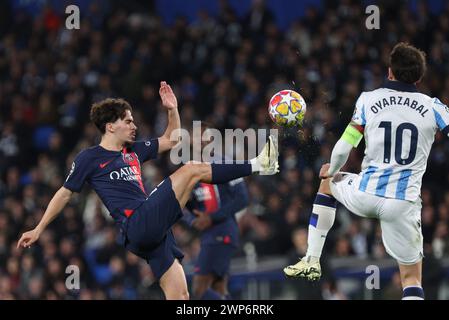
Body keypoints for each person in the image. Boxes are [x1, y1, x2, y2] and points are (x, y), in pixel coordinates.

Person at [17, 81, 279, 300]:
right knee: (191, 169)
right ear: (110, 126)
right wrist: (39, 228)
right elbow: (64, 193)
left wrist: (173, 109)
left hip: (154, 235)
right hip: (137, 223)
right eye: (128, 121)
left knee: (182, 297)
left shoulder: (133, 151)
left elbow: (172, 139)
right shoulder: (90, 158)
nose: (134, 126)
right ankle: (258, 163)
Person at [284, 42, 449, 300]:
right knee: (411, 278)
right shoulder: (435, 108)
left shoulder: (368, 100)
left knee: (328, 183)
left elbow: (343, 147)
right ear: (419, 77)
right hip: (401, 203)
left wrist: (332, 169)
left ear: (390, 72)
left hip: (365, 193)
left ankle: (312, 259)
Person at [184, 124, 250, 300]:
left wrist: (211, 218)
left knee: (198, 290)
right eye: (196, 137)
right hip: (208, 235)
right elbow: (182, 204)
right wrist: (192, 220)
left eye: (203, 136)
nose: (200, 141)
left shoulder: (226, 163)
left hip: (223, 232)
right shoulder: (189, 169)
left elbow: (242, 198)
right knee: (218, 289)